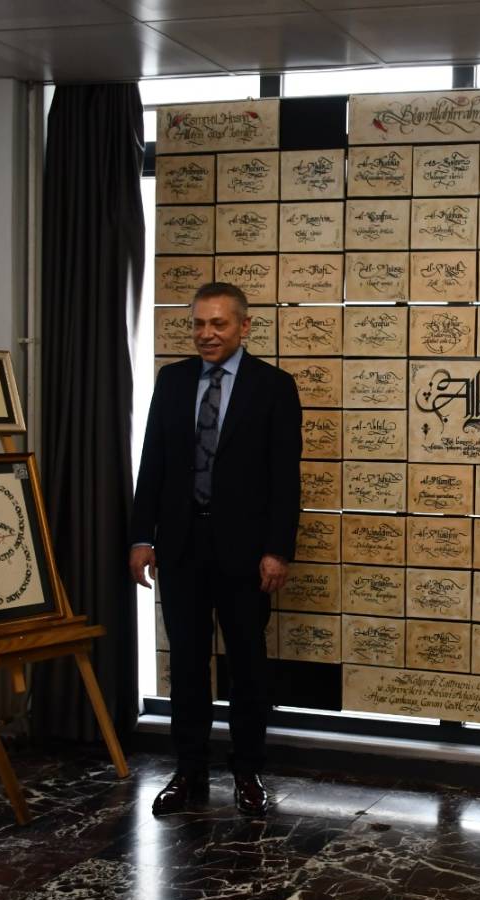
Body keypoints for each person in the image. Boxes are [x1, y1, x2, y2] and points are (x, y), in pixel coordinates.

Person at [130, 281, 302, 818]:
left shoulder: (274, 387)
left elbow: (285, 478)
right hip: (181, 547)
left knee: (247, 665)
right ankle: (188, 770)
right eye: (199, 324)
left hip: (246, 553)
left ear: (244, 326)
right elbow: (153, 462)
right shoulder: (173, 381)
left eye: (218, 324)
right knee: (186, 664)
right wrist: (141, 536)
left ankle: (247, 771)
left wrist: (277, 550)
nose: (206, 334)